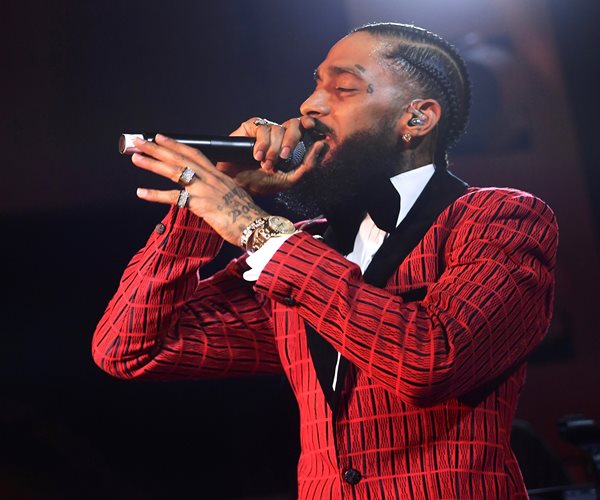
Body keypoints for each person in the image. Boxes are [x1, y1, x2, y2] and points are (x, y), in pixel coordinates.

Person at [92, 22, 558, 498]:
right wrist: (209, 202)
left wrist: (256, 229)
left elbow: (430, 362)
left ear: (417, 119)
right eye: (315, 86)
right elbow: (127, 349)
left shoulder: (499, 218)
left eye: (343, 88)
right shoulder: (301, 248)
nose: (309, 106)